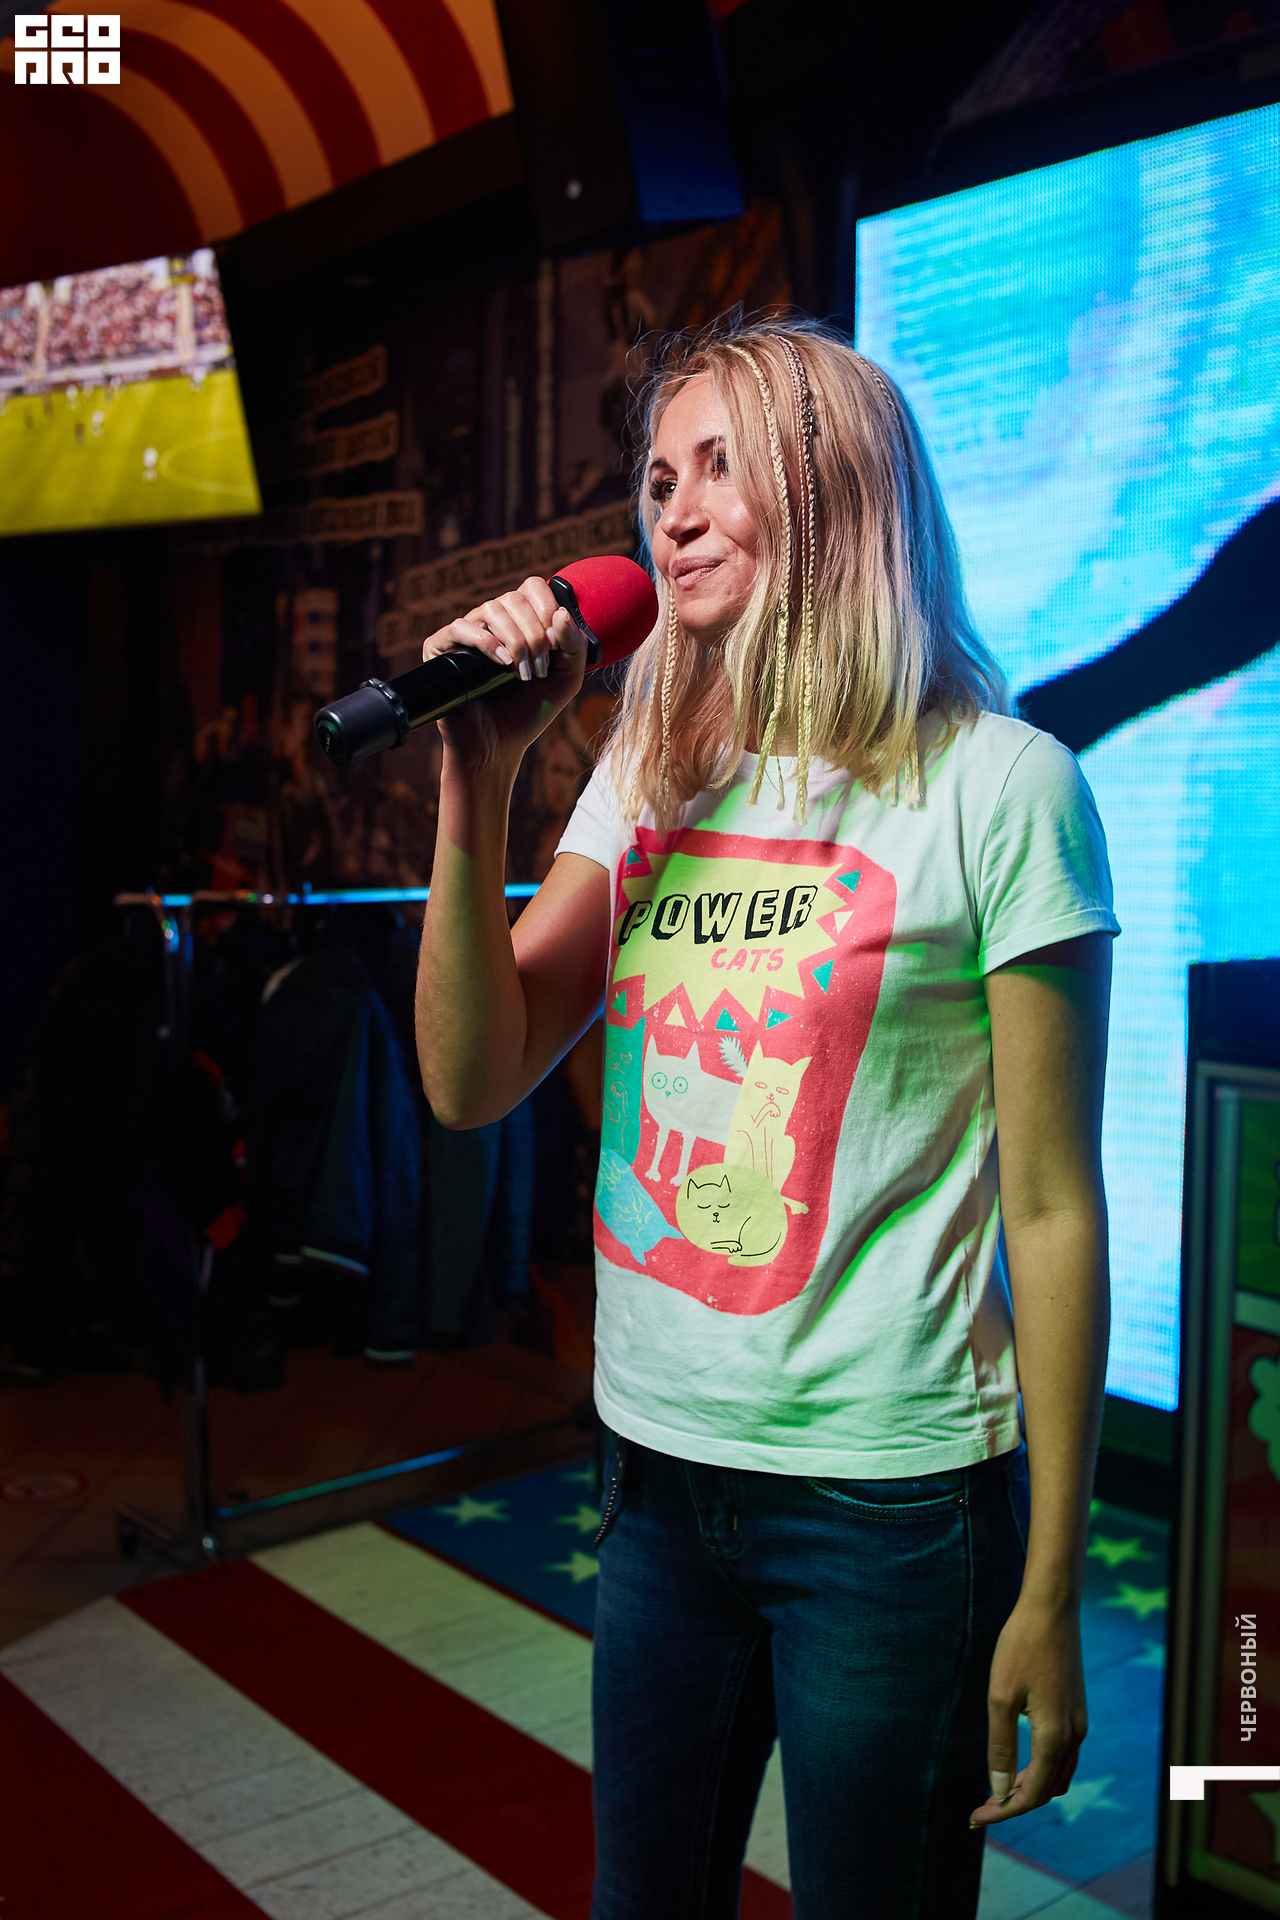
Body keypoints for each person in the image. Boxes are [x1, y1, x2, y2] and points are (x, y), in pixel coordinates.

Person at [414, 316, 1117, 1919]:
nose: (671, 512)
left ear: (841, 486)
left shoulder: (1003, 787)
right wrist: (479, 776)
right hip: (656, 1482)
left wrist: (1052, 1585)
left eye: (719, 466)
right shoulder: (648, 771)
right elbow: (470, 1076)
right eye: (659, 479)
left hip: (891, 1506)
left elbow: (1053, 1206)